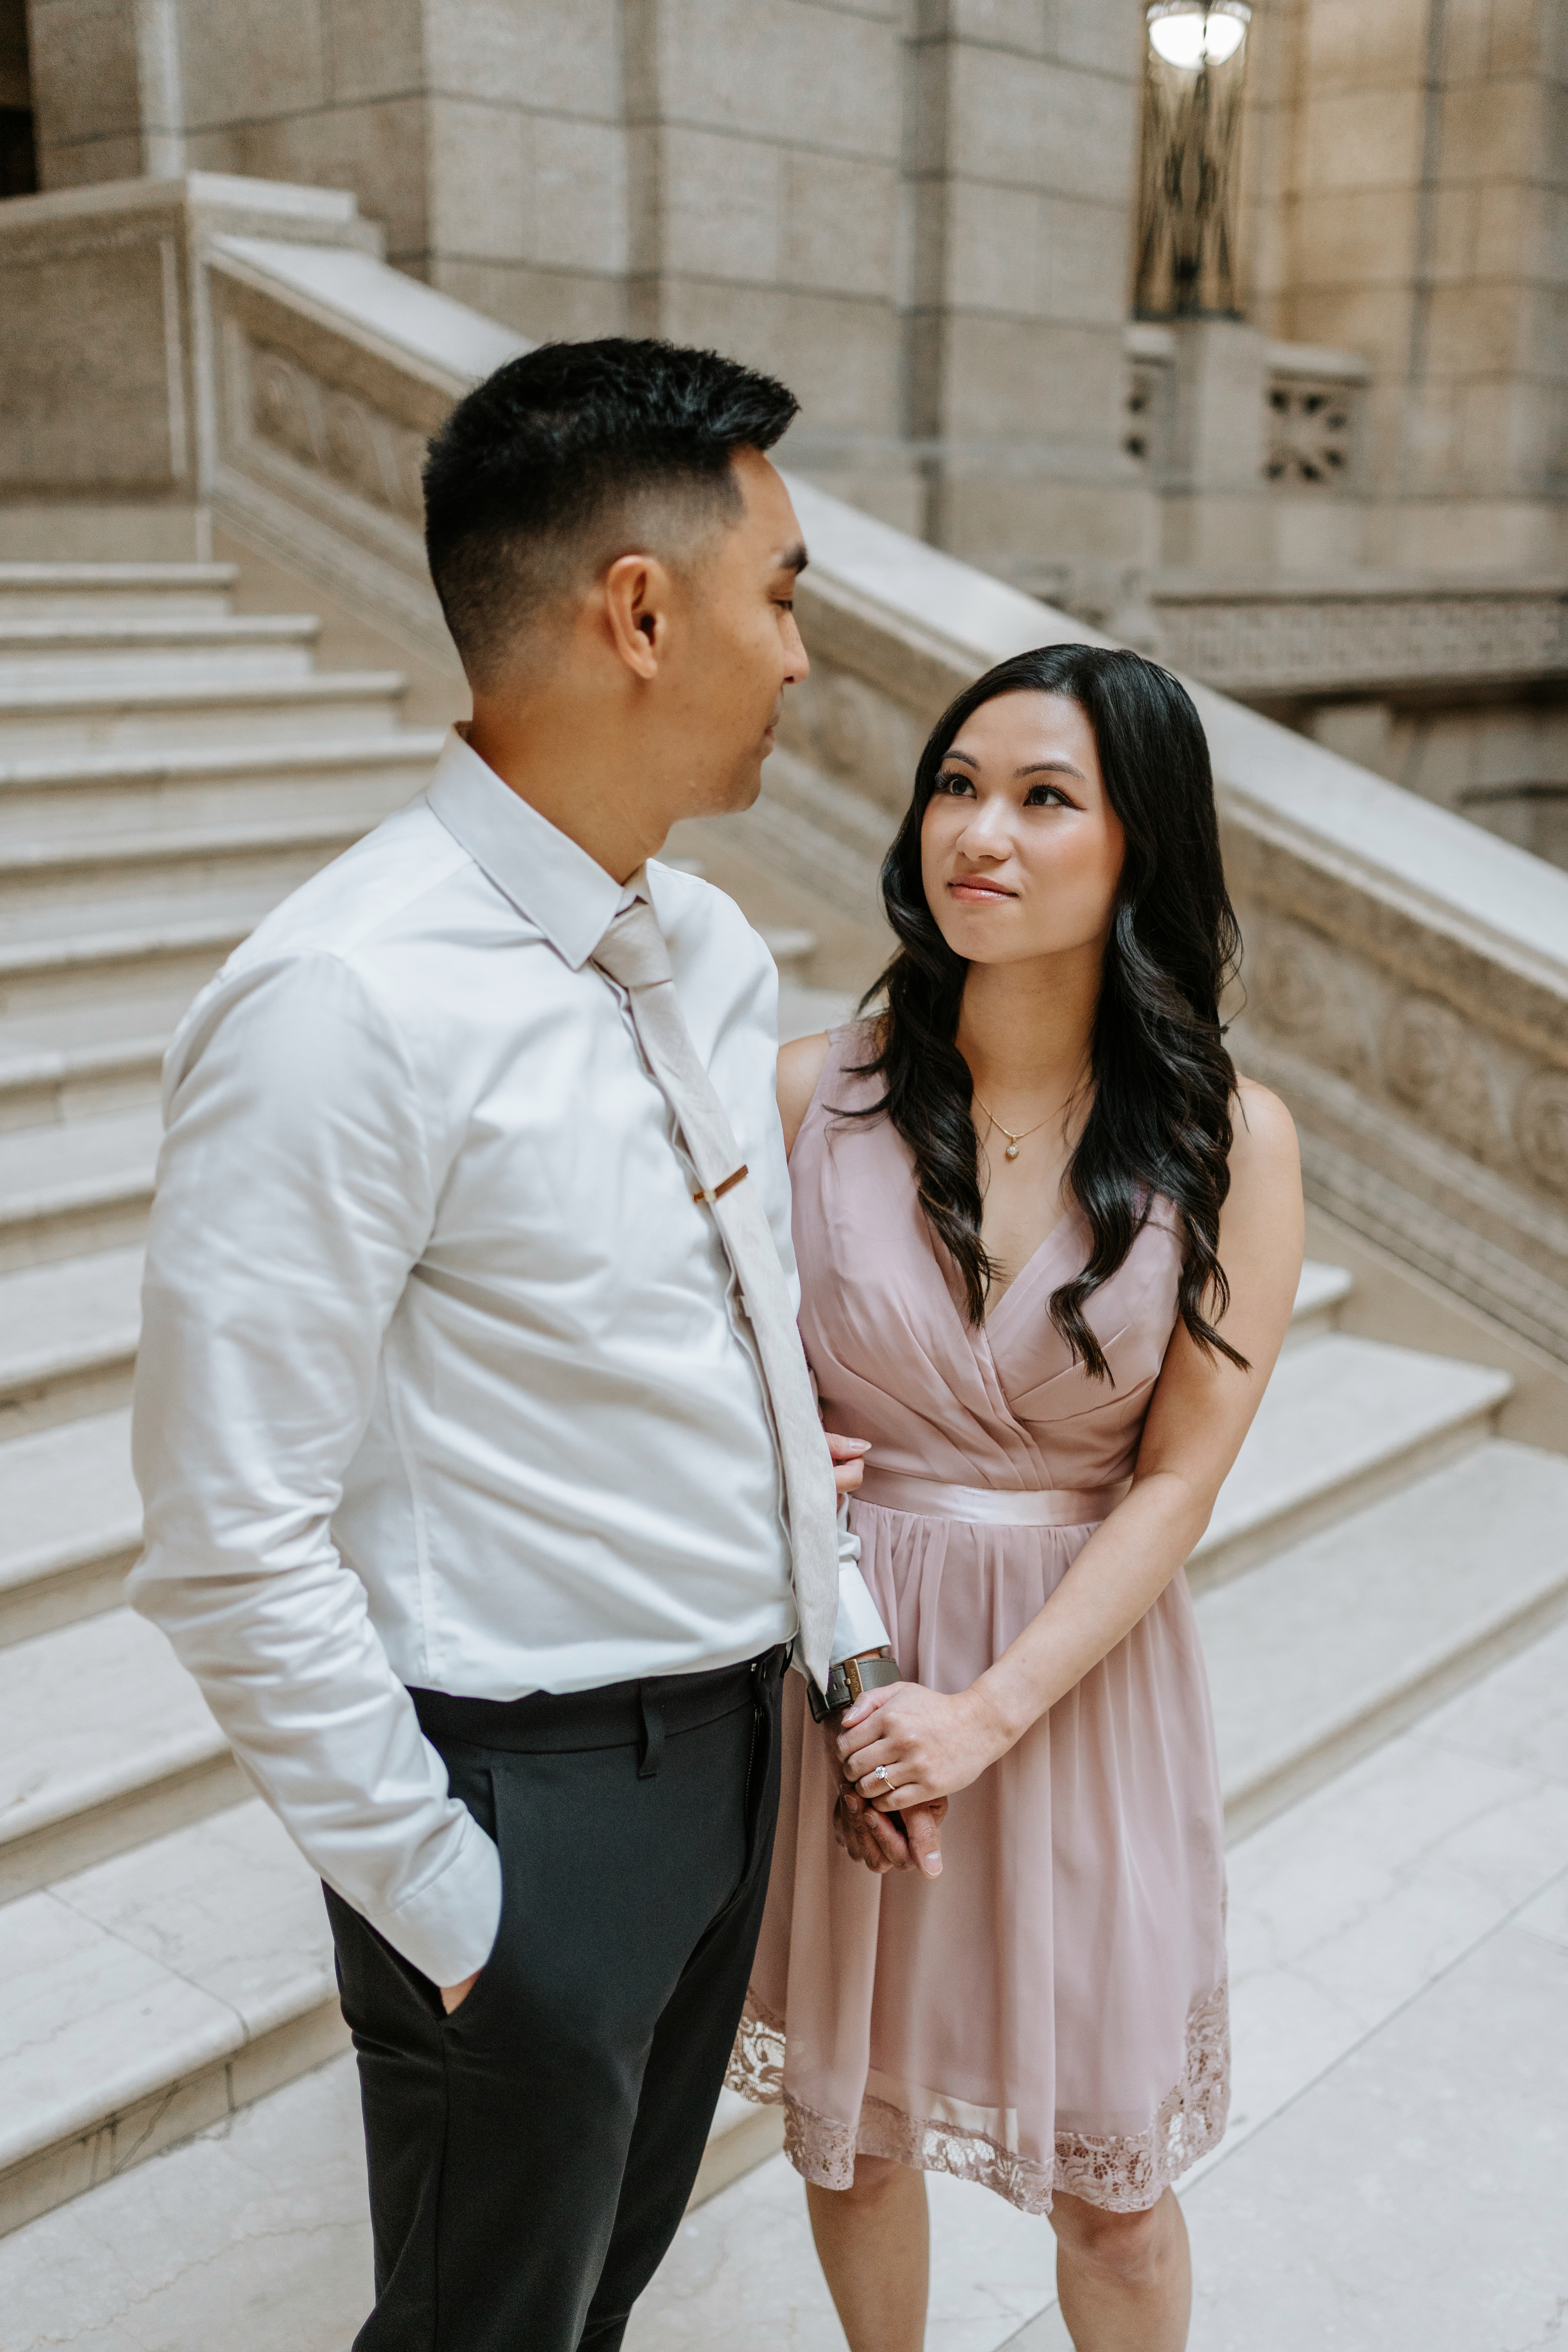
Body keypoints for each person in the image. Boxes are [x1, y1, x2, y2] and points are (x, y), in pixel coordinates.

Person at [128, 338, 895, 2352]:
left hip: (730, 1754)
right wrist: (456, 1910)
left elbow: (747, 1334)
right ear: (639, 611)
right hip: (521, 1794)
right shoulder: (341, 1000)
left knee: (600, 2294)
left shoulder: (706, 947)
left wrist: (840, 1648)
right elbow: (229, 1527)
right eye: (785, 593)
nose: (804, 657)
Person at [731, 644, 1305, 2352]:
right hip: (854, 1669)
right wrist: (862, 1685)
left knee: (1114, 2199)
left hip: (1073, 1681)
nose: (977, 831)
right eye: (956, 786)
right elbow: (735, 1403)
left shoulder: (1231, 1143)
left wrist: (986, 1712)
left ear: (1144, 844)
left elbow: (1182, 1475)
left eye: (1045, 797)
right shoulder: (797, 1095)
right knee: (856, 2126)